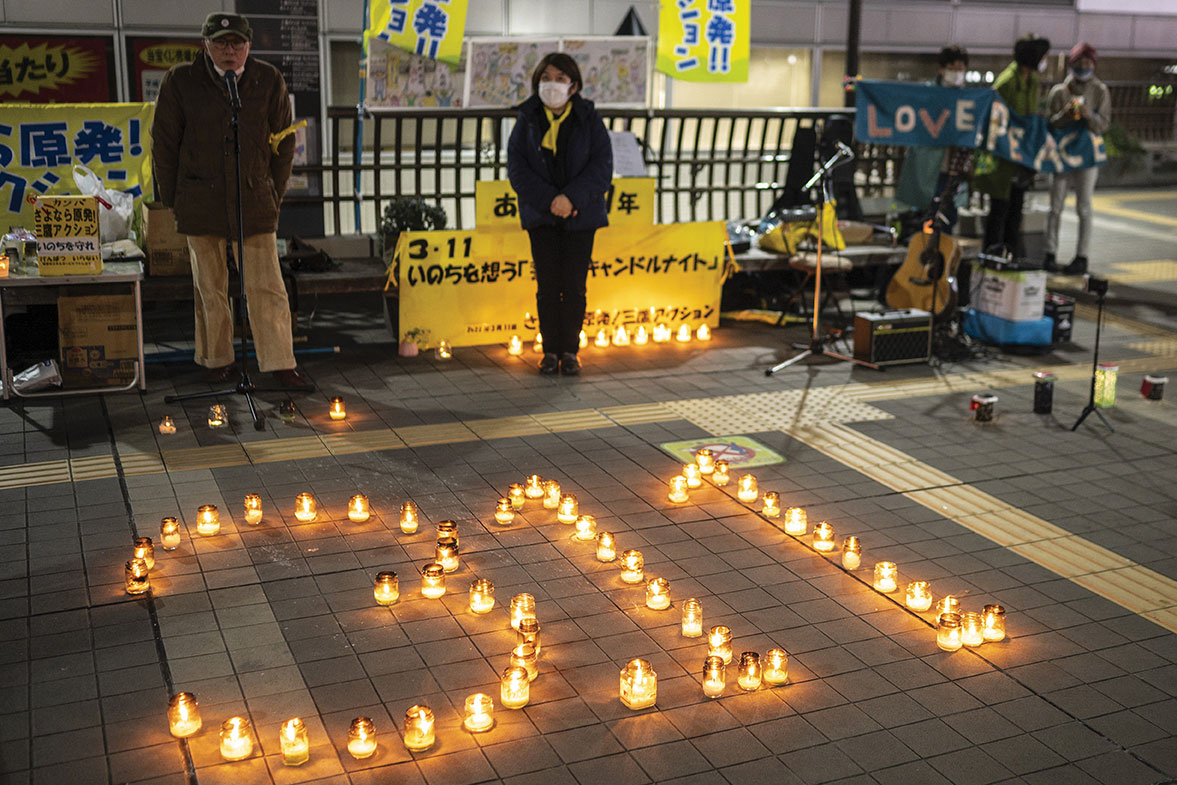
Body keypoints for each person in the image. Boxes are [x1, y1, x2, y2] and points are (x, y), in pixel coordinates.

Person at [151, 12, 312, 389]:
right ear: (205, 45)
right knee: (209, 288)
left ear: (249, 45)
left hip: (254, 199)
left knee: (267, 286)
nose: (229, 50)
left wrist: (273, 192)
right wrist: (173, 198)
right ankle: (216, 360)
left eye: (237, 43)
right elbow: (164, 144)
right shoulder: (181, 81)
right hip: (199, 199)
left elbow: (284, 141)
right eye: (220, 43)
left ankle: (280, 362)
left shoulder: (268, 80)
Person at [507, 53, 613, 376]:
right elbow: (517, 168)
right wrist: (551, 201)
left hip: (581, 216)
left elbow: (602, 167)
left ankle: (570, 351)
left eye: (559, 79)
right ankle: (550, 351)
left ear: (573, 86)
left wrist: (571, 198)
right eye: (545, 78)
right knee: (548, 286)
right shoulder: (527, 118)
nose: (551, 85)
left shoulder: (589, 118)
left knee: (575, 286)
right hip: (542, 216)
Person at [973, 34, 1051, 261]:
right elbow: (996, 117)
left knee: (1016, 209)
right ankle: (992, 255)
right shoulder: (1007, 81)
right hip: (1003, 155)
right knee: (999, 209)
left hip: (1022, 155)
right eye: (1043, 56)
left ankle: (1011, 256)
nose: (1045, 61)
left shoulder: (1032, 80)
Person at [1044, 42, 1110, 275]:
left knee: (1084, 207)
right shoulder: (1059, 91)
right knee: (1055, 206)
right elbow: (1050, 123)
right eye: (1080, 62)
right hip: (1062, 155)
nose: (1084, 66)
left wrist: (1088, 115)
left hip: (1087, 156)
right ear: (1071, 64)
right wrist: (1066, 115)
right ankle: (1049, 253)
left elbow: (1103, 124)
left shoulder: (1100, 90)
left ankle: (1081, 257)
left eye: (1088, 62)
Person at [895, 45, 971, 232]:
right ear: (942, 69)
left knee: (949, 215)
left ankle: (942, 248)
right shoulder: (928, 94)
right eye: (952, 68)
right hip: (929, 166)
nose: (957, 73)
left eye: (961, 69)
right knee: (927, 214)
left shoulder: (968, 98)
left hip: (955, 166)